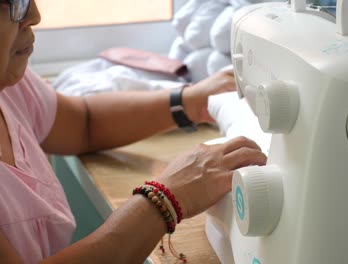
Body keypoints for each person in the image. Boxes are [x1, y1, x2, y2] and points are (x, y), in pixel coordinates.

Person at [0, 0, 267, 263]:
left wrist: (190, 102)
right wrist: (164, 199)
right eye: (12, 3)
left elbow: (84, 123)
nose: (34, 15)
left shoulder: (10, 89)